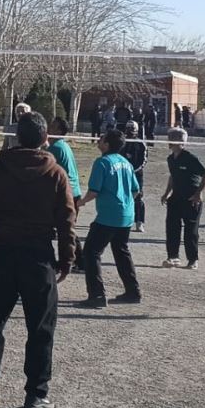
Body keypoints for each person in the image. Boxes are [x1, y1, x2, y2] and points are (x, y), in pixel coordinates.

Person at [0, 110, 76, 408]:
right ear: (46, 139)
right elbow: (67, 219)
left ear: (17, 137)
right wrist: (67, 257)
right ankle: (36, 394)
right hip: (39, 257)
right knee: (41, 327)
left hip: (3, 252)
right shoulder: (55, 173)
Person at [77, 128, 142, 307]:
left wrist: (79, 203)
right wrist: (125, 203)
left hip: (108, 217)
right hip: (126, 215)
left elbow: (93, 191)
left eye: (102, 139)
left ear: (106, 144)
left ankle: (97, 295)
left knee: (91, 252)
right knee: (121, 252)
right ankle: (133, 291)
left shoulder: (102, 162)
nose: (99, 141)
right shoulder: (126, 163)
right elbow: (136, 190)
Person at [160, 128, 205, 269]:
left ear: (181, 142)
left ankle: (193, 260)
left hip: (191, 198)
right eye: (169, 138)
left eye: (172, 139)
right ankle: (173, 257)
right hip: (176, 198)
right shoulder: (170, 159)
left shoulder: (190, 158)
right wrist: (166, 193)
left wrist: (199, 193)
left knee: (191, 231)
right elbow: (172, 177)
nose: (169, 142)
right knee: (172, 228)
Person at [46, 117, 83, 202]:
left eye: (53, 126)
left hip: (66, 193)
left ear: (59, 132)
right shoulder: (65, 145)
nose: (49, 128)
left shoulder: (55, 147)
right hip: (75, 191)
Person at [120, 121, 147, 230]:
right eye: (128, 129)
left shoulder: (141, 143)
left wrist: (133, 171)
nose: (130, 132)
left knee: (138, 197)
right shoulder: (122, 142)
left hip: (136, 175)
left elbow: (143, 161)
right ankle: (122, 219)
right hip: (123, 174)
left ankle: (139, 221)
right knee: (121, 196)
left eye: (132, 129)